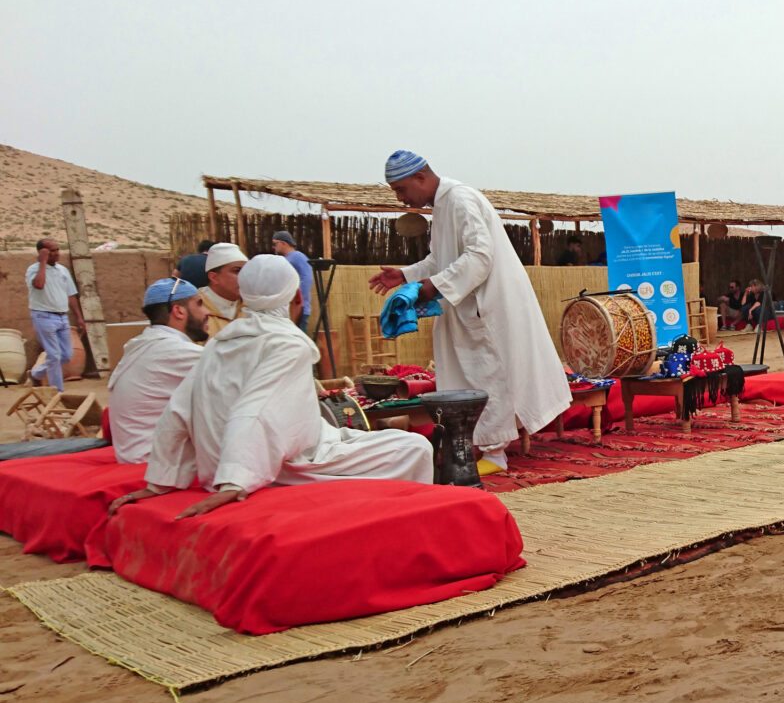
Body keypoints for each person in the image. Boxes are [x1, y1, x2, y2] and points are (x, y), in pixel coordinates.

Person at [110, 256, 432, 519]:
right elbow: (255, 411)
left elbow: (177, 411)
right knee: (414, 448)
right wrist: (234, 481)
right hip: (276, 469)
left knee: (357, 436)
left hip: (234, 461)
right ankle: (401, 519)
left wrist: (160, 483)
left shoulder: (221, 342)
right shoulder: (286, 344)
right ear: (297, 297)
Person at [370, 150, 572, 473]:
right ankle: (482, 446)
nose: (401, 198)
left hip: (486, 306)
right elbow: (440, 260)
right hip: (466, 304)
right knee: (468, 373)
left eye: (401, 190)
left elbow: (480, 256)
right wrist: (405, 275)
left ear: (420, 178)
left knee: (487, 373)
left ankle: (495, 453)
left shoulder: (461, 200)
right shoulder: (442, 207)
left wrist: (432, 287)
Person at [106, 279, 208, 464]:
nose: (206, 312)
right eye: (199, 304)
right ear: (179, 311)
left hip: (138, 455)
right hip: (153, 462)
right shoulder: (172, 351)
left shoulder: (147, 343)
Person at [24, 239, 87, 391]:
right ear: (42, 253)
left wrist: (79, 317)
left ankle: (36, 374)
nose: (57, 253)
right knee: (54, 355)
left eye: (57, 249)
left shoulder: (63, 270)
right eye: (51, 251)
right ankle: (58, 392)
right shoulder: (33, 270)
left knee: (66, 355)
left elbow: (71, 295)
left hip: (62, 317)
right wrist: (43, 263)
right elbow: (39, 284)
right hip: (43, 317)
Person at [197, 242, 248, 339]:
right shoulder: (195, 309)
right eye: (237, 271)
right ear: (214, 277)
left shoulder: (252, 307)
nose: (245, 276)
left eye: (246, 270)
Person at [271, 231, 314, 331]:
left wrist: (298, 301)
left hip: (298, 309)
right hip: (288, 308)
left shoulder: (297, 257)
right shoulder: (288, 258)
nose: (273, 247)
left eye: (275, 243)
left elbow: (307, 278)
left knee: (298, 341)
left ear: (284, 243)